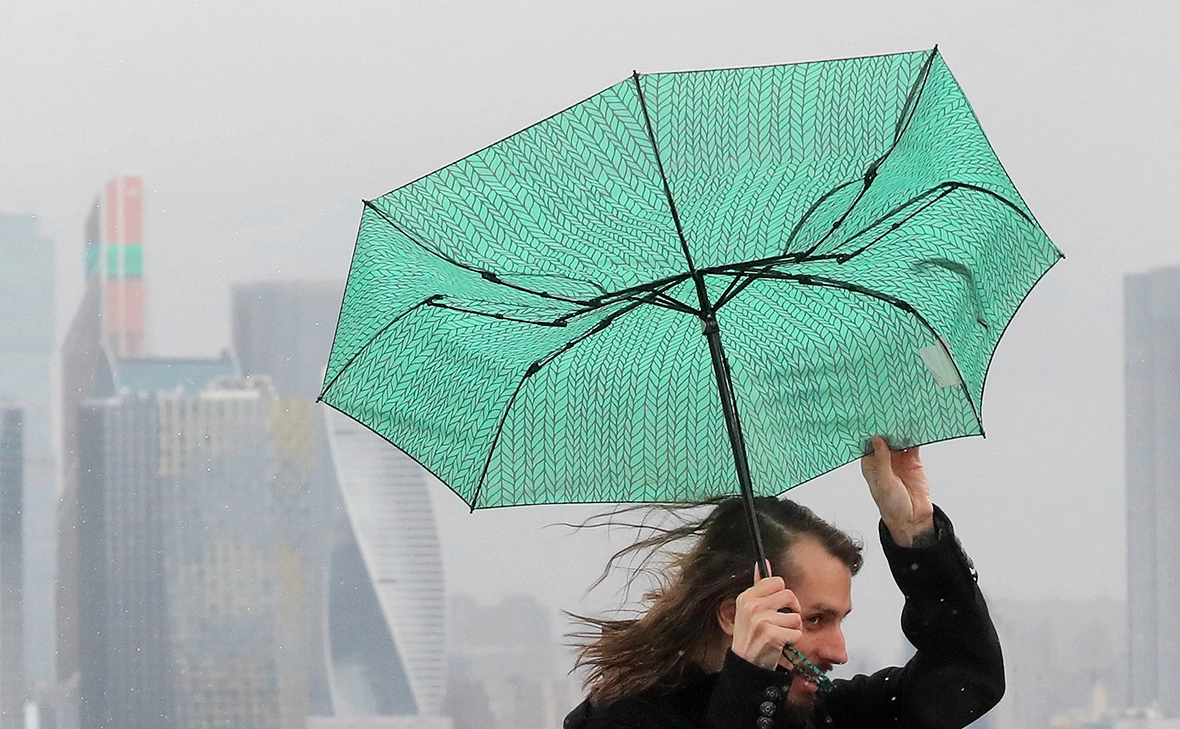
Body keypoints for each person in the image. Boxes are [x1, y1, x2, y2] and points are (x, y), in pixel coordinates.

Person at [564, 436, 1003, 729]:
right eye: (815, 620)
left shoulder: (817, 712)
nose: (839, 652)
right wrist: (750, 677)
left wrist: (916, 535)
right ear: (734, 615)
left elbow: (966, 676)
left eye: (840, 621)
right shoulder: (619, 720)